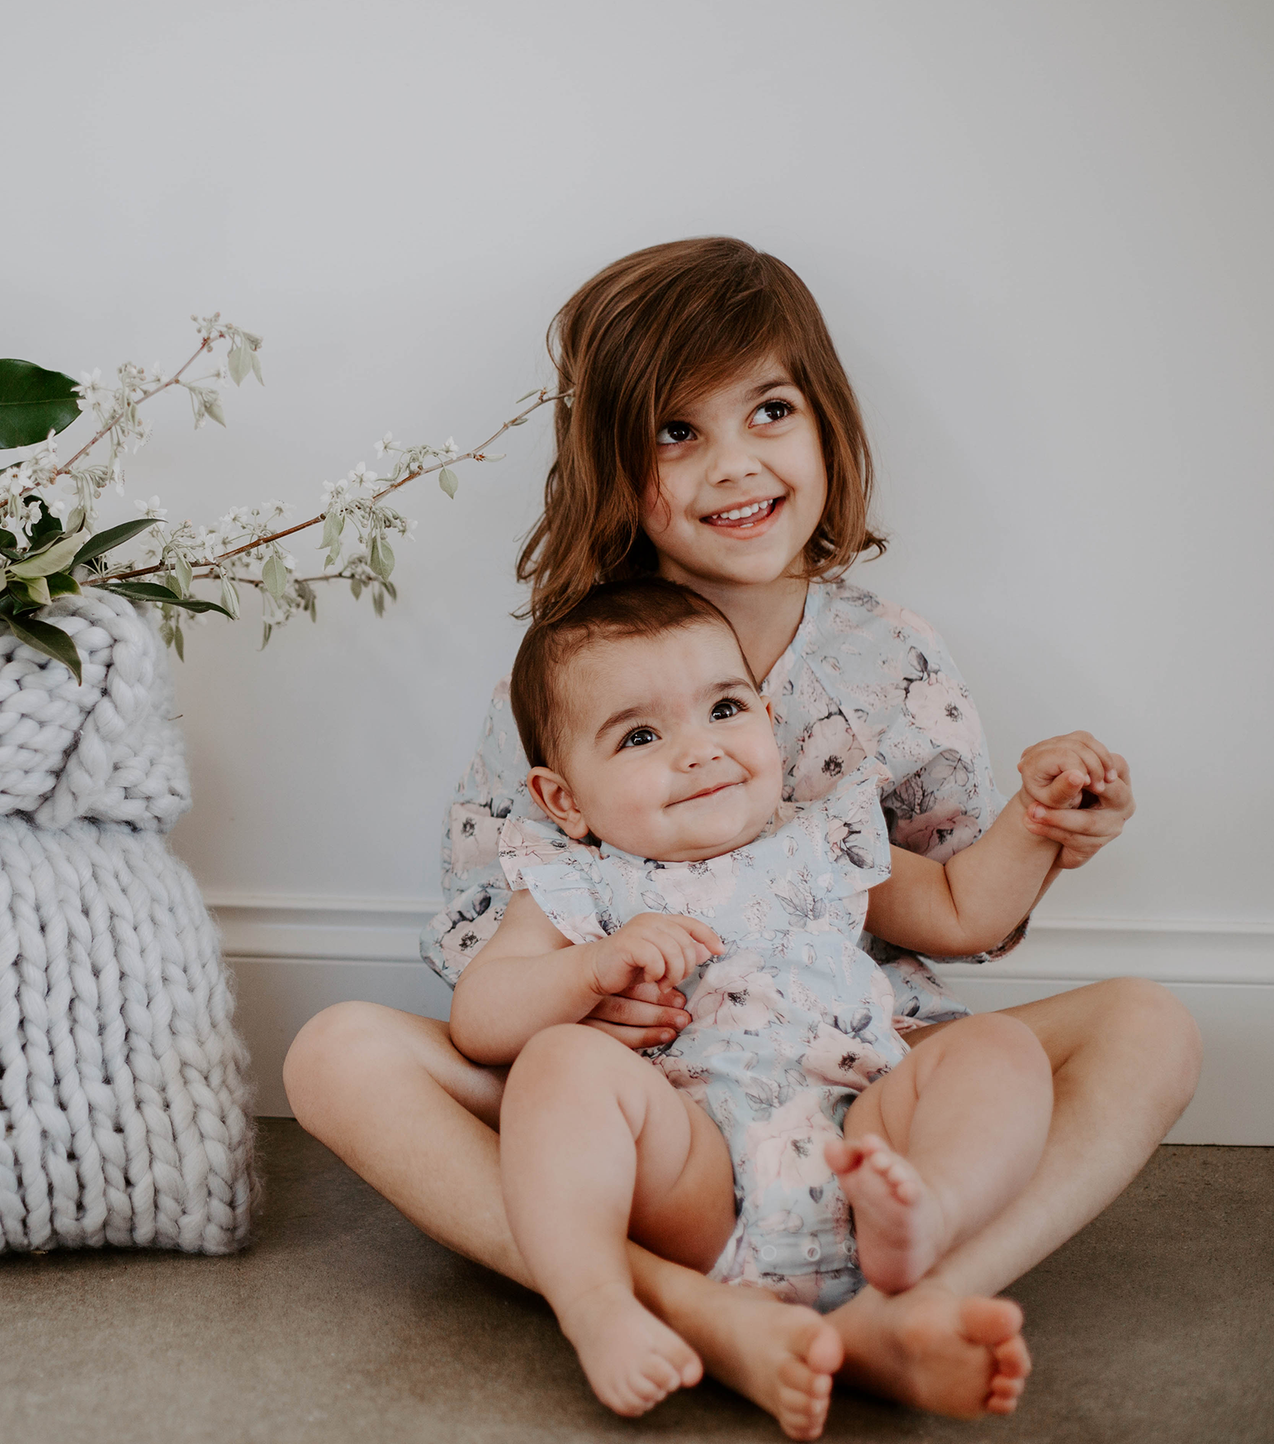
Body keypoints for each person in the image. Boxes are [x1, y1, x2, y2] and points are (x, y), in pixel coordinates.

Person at [282, 238, 1201, 1437]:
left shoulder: (885, 660)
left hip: (865, 1076)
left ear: (823, 422)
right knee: (335, 1051)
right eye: (675, 433)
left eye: (768, 409)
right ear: (615, 464)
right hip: (653, 1108)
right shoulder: (564, 675)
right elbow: (486, 947)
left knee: (1147, 1024)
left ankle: (916, 1292)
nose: (734, 464)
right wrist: (583, 992)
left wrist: (1044, 824)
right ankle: (668, 1304)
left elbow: (961, 910)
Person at [470, 576, 1110, 1427]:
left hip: (868, 1133)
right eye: (642, 734)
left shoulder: (822, 837)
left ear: (769, 722)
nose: (698, 750)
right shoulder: (574, 881)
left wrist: (1036, 822)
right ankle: (597, 1301)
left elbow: (964, 909)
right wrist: (588, 968)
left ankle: (934, 1213)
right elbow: (480, 1016)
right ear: (565, 801)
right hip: (693, 1181)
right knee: (558, 1062)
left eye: (725, 710)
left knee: (996, 1052)